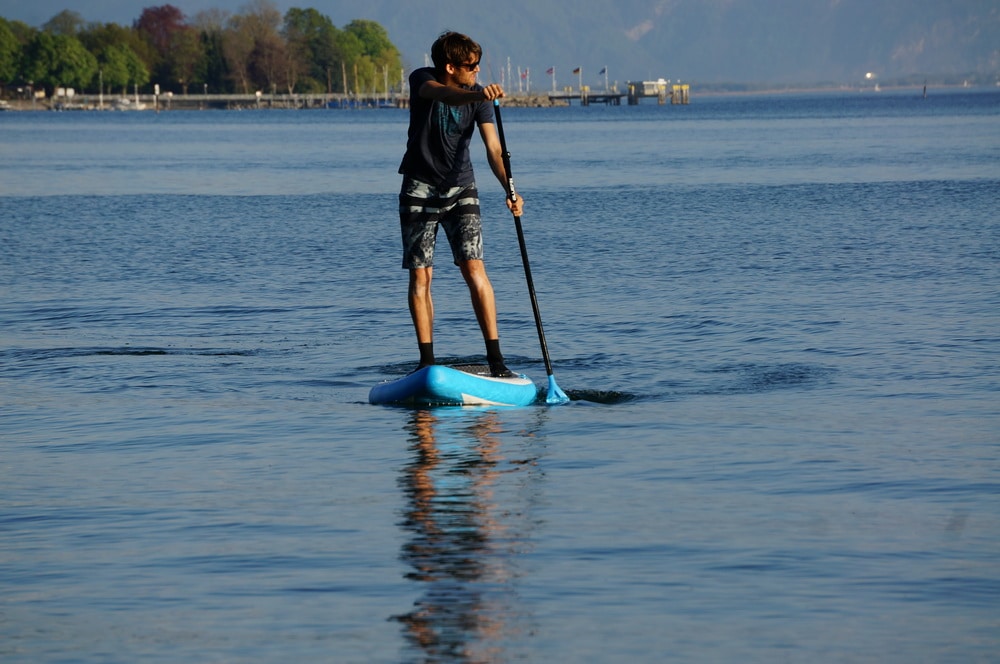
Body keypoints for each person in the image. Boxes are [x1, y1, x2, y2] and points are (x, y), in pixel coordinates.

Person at [397, 31, 524, 377]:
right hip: (419, 188)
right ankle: (427, 364)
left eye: (479, 65)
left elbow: (494, 150)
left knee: (474, 270)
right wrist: (473, 95)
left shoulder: (479, 97)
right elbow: (443, 94)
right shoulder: (423, 79)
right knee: (421, 276)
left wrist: (510, 189)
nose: (477, 72)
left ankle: (497, 362)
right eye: (471, 66)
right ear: (450, 67)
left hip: (461, 188)